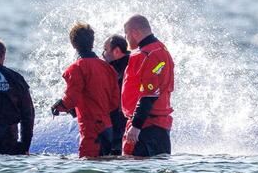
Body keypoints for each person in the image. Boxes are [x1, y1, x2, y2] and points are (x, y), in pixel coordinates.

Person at [51, 23, 121, 157]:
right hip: (107, 128)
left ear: (73, 45)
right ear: (92, 43)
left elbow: (71, 99)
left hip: (91, 130)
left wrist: (59, 106)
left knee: (87, 169)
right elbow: (114, 102)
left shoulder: (76, 68)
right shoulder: (107, 68)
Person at [121, 15, 175, 157]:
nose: (126, 39)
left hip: (147, 127)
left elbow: (149, 94)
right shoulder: (162, 49)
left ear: (135, 32)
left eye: (126, 34)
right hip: (158, 126)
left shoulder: (147, 54)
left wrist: (136, 126)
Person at [103, 33, 130, 135]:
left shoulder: (116, 71)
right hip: (133, 123)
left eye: (105, 50)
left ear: (117, 51)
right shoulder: (134, 62)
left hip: (122, 123)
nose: (103, 54)